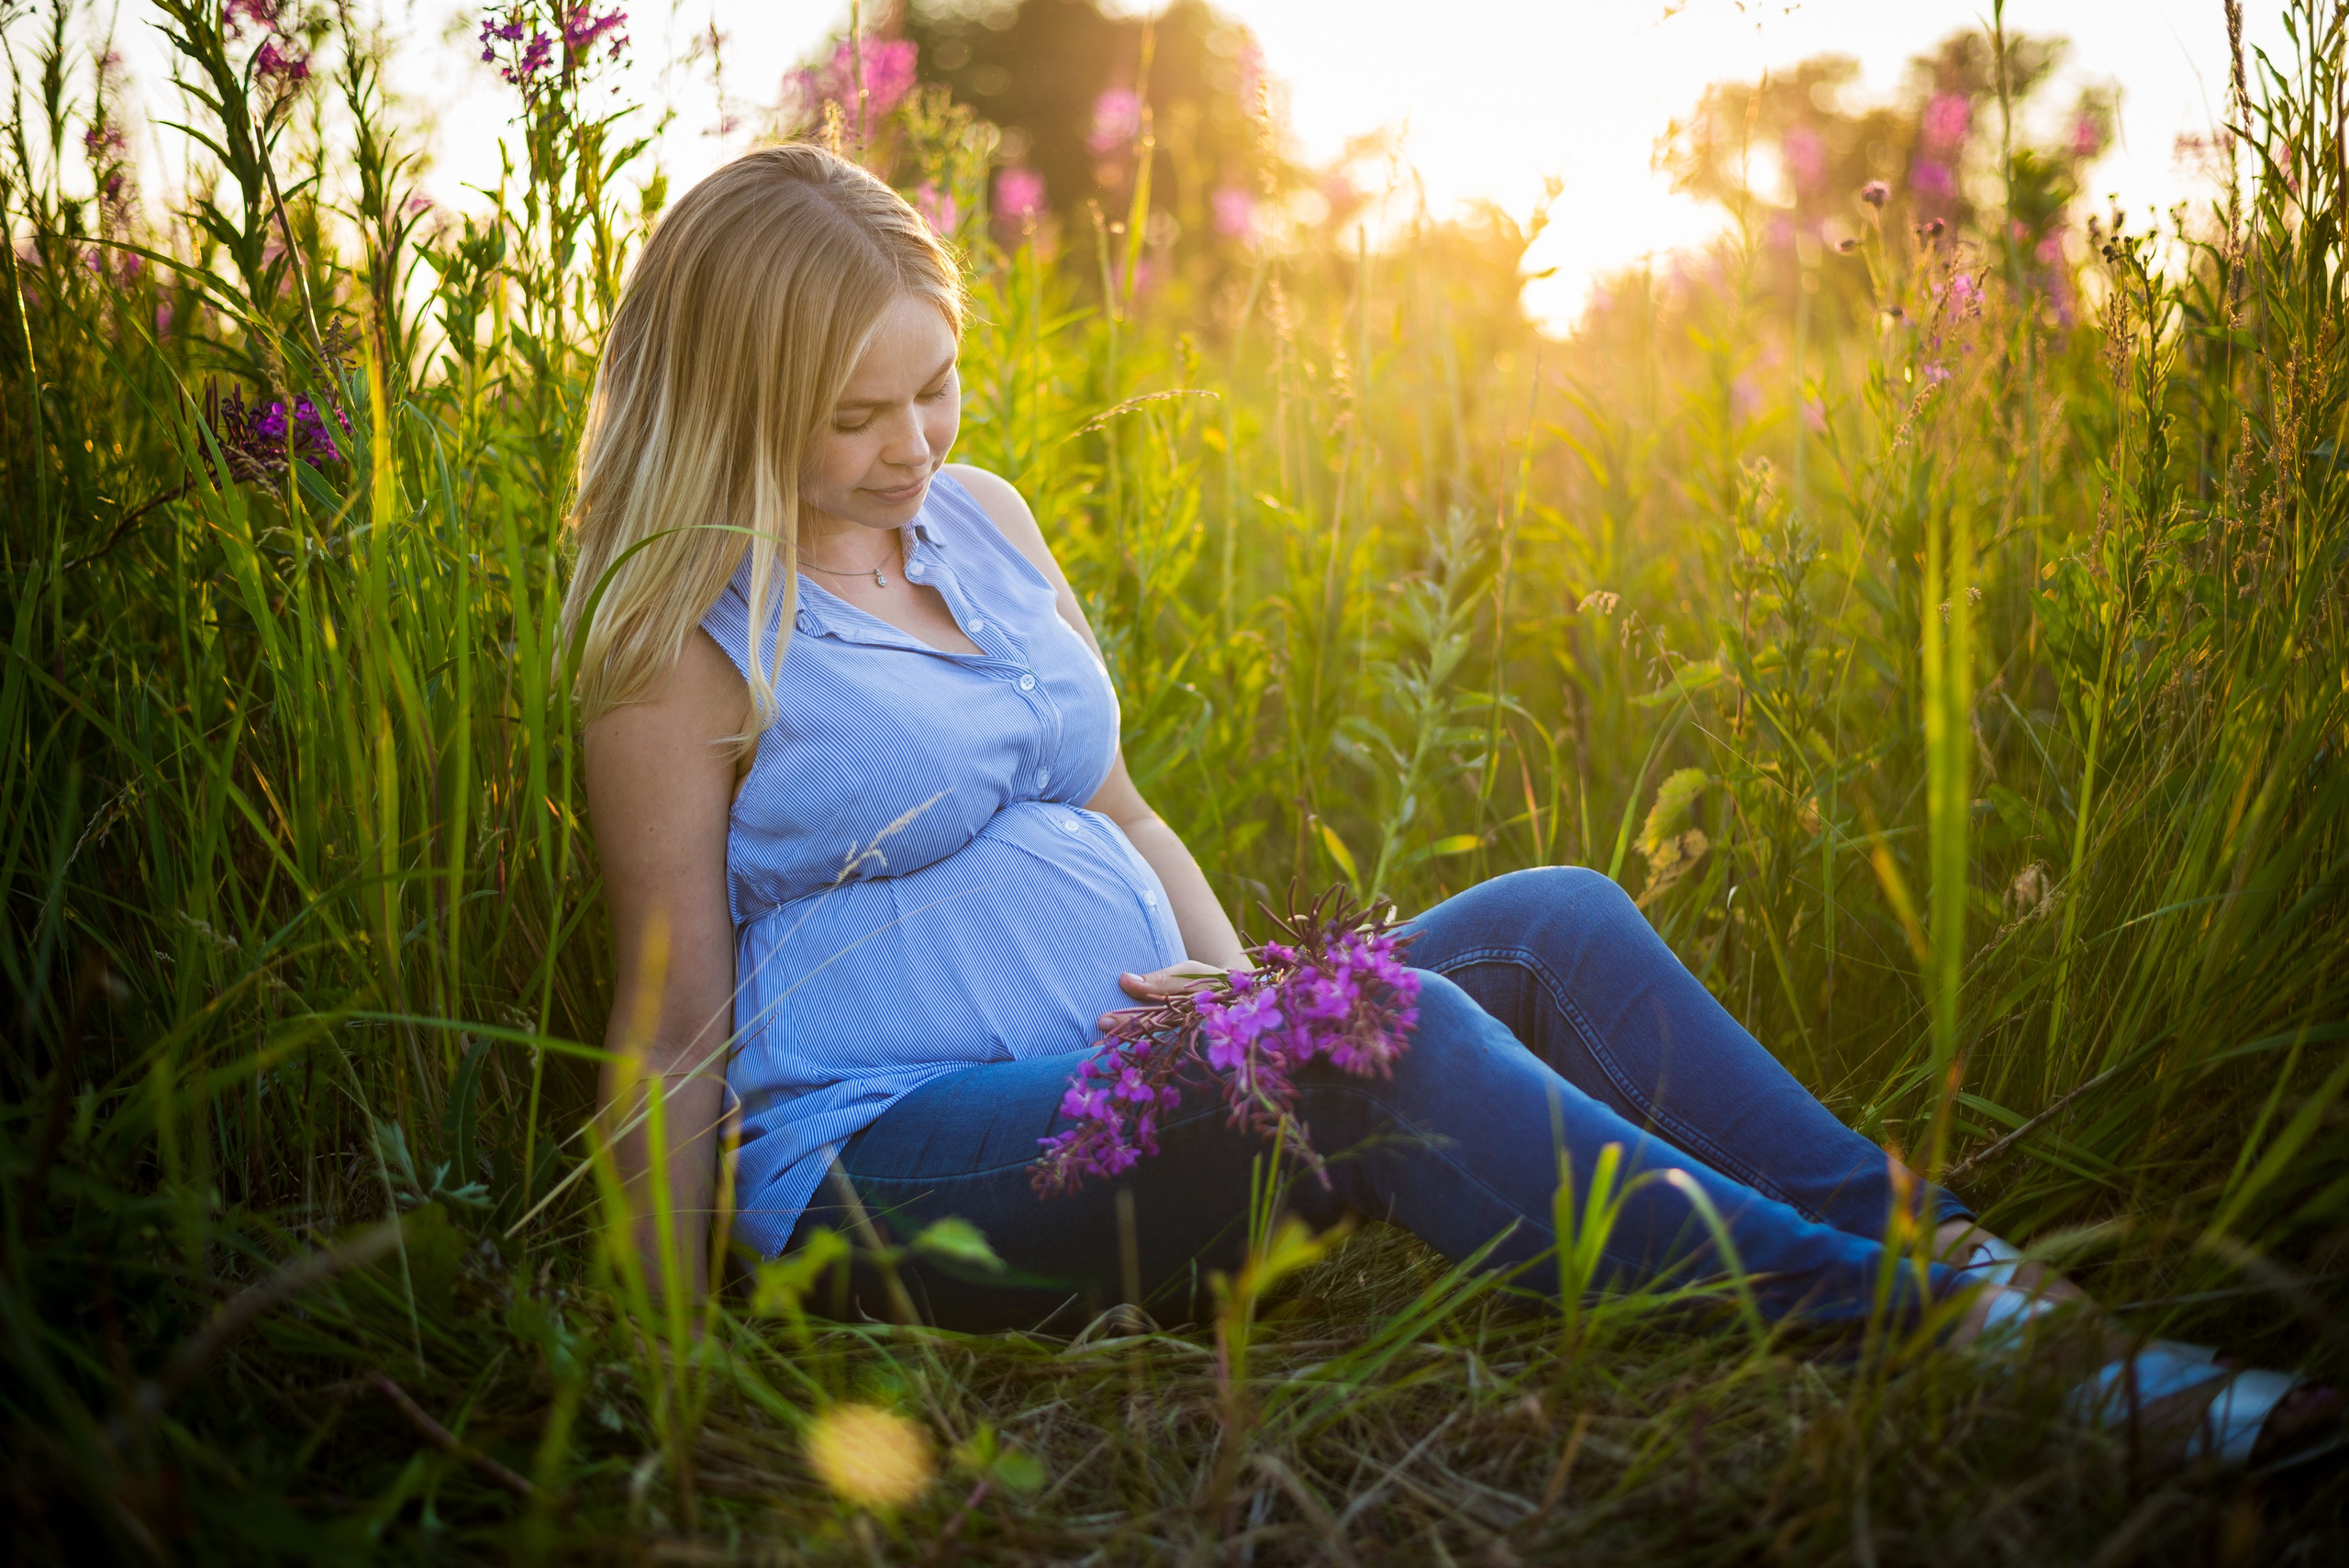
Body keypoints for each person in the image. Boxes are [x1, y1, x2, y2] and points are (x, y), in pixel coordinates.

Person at [566, 145, 2335, 1466]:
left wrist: (1250, 1000)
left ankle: (1986, 1271)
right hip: (891, 1162)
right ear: (738, 401)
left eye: (936, 384)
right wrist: (662, 1373)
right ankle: (1946, 1341)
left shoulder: (984, 524)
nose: (915, 443)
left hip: (1125, 1081)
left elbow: (1126, 811)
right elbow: (668, 1013)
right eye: (855, 415)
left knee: (1556, 915)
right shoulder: (681, 641)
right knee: (1382, 1035)